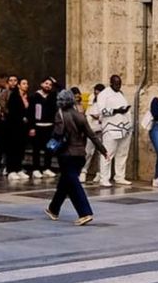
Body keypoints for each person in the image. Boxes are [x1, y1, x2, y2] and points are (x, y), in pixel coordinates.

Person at [46, 89, 107, 226]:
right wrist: (103, 151)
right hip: (80, 154)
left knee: (73, 185)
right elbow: (92, 135)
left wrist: (51, 143)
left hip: (66, 154)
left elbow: (58, 133)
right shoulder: (80, 115)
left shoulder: (60, 114)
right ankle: (53, 209)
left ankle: (85, 213)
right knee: (65, 183)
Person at [95, 74, 134, 186]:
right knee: (107, 153)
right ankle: (104, 178)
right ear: (111, 83)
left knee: (122, 154)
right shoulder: (104, 94)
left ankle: (120, 176)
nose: (118, 86)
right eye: (116, 84)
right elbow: (102, 111)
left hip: (124, 128)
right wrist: (117, 111)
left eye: (120, 84)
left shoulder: (120, 94)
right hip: (111, 128)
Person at [29, 78, 59, 180]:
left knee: (50, 148)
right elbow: (31, 113)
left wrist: (55, 82)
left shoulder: (53, 96)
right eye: (46, 83)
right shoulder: (34, 97)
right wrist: (32, 127)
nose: (48, 86)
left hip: (50, 127)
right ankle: (36, 169)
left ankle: (47, 168)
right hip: (38, 126)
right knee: (36, 149)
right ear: (41, 84)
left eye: (50, 85)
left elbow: (62, 90)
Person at [3, 78, 31, 180]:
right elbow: (12, 111)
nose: (26, 85)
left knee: (20, 149)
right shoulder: (14, 96)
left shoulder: (27, 97)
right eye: (24, 83)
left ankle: (19, 168)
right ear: (19, 85)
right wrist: (21, 117)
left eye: (27, 83)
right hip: (13, 127)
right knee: (13, 149)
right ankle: (11, 170)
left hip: (23, 128)